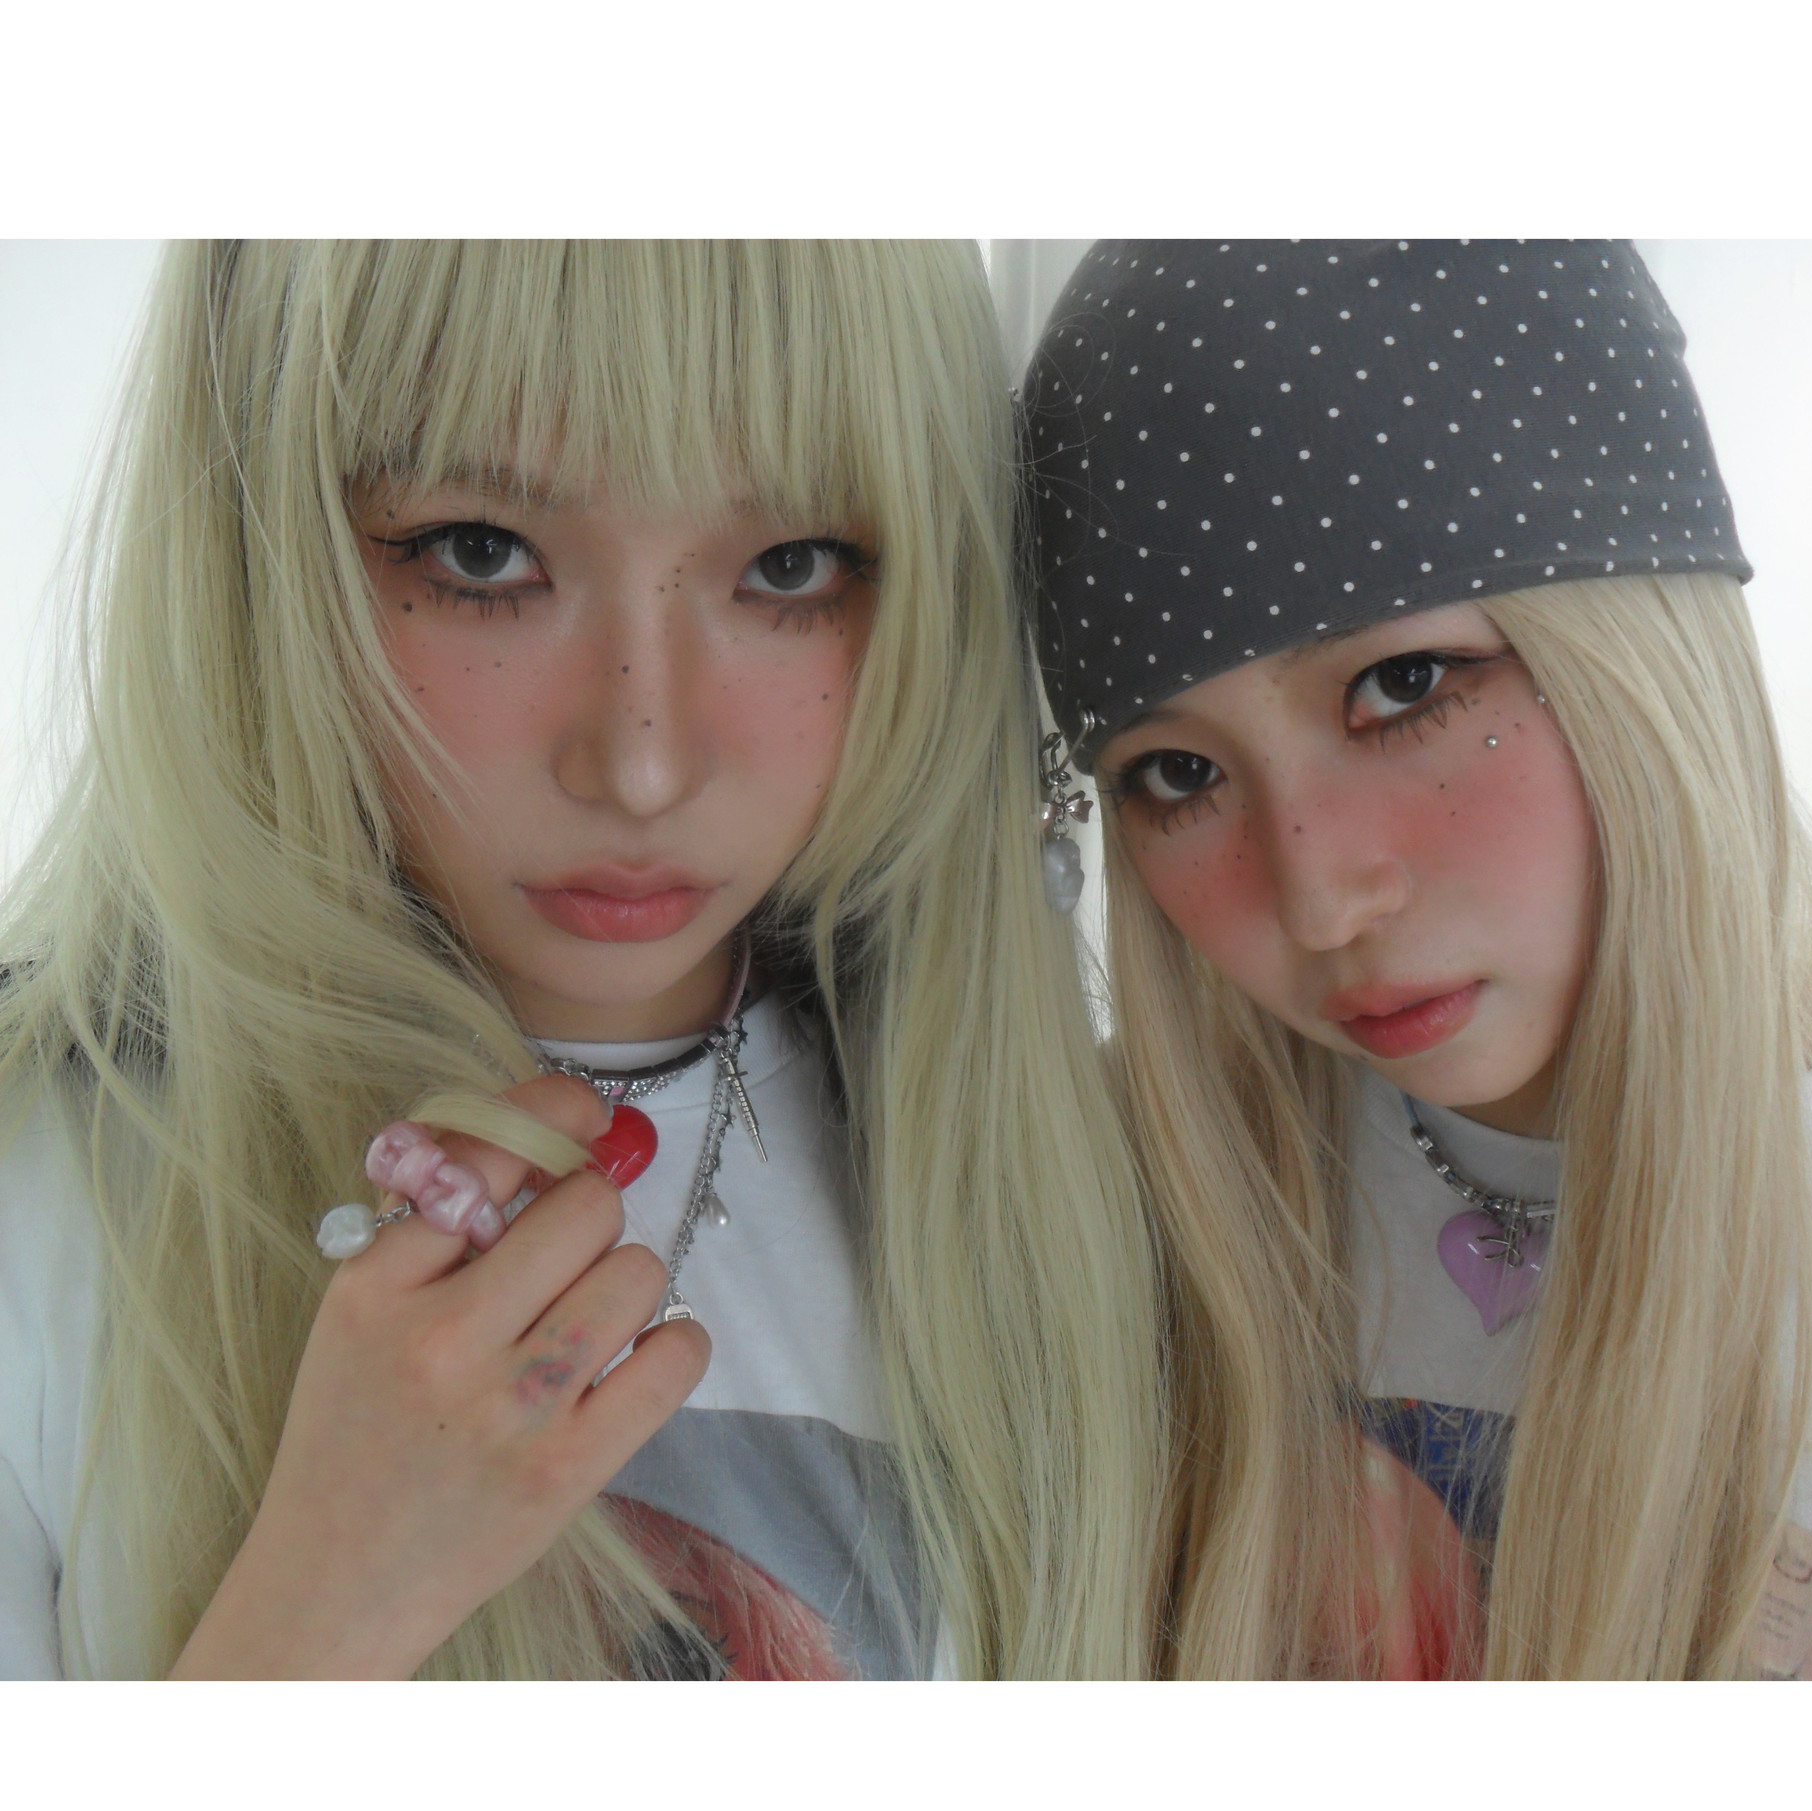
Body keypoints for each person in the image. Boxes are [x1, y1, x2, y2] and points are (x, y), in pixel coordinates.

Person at [0, 240, 1165, 1681]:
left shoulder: (1088, 1202)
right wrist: (321, 1609)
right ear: (261, 554)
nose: (642, 763)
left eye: (789, 568)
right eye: (481, 554)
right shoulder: (48, 1192)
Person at [1020, 239, 1812, 1679]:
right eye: (1179, 776)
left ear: (1640, 655)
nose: (1322, 900)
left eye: (1405, 687)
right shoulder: (1119, 1218)